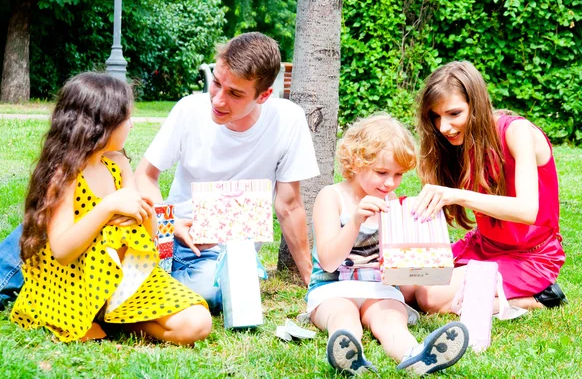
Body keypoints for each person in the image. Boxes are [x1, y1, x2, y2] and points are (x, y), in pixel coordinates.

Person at [10, 72, 212, 344]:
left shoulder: (118, 164)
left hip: (126, 279)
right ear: (99, 125)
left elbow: (148, 234)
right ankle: (100, 317)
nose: (132, 124)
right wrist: (108, 207)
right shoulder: (65, 174)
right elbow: (62, 251)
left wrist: (147, 213)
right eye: (126, 118)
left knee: (197, 323)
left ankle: (116, 322)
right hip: (73, 284)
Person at [134, 32, 319, 312]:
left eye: (234, 93)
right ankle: (156, 278)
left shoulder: (288, 120)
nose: (218, 100)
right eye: (216, 84)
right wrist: (165, 223)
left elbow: (289, 205)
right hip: (174, 239)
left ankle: (154, 284)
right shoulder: (189, 110)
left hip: (231, 255)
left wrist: (312, 282)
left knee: (213, 290)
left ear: (264, 95)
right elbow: (145, 175)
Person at [307, 115, 469, 376]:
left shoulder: (390, 199)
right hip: (333, 287)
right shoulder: (331, 197)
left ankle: (417, 357)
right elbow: (327, 261)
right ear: (356, 162)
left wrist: (420, 257)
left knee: (391, 320)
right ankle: (349, 354)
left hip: (379, 287)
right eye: (382, 173)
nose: (390, 183)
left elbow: (396, 262)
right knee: (343, 315)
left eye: (398, 175)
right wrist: (356, 221)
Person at [403, 61, 567, 313]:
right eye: (435, 116)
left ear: (476, 104)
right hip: (485, 245)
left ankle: (539, 298)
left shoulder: (516, 131)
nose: (443, 127)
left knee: (430, 298)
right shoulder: (458, 141)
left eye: (454, 114)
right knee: (407, 284)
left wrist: (456, 195)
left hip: (530, 256)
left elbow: (527, 210)